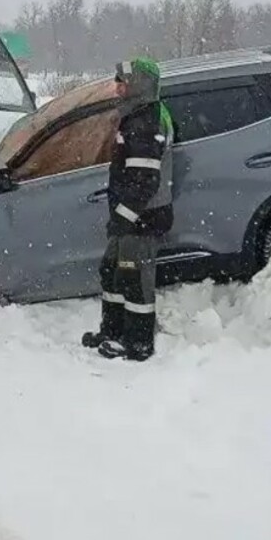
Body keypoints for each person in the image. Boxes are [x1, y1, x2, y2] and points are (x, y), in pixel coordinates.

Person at [81, 57, 176, 362]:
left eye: (122, 82)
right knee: (112, 271)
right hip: (129, 216)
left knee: (135, 279)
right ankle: (113, 331)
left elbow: (145, 181)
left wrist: (124, 216)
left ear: (139, 85)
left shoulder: (145, 122)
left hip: (142, 217)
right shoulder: (136, 116)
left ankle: (138, 343)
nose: (117, 87)